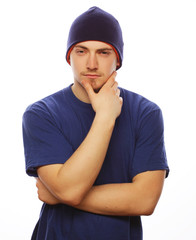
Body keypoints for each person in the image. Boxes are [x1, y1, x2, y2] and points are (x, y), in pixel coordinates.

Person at [22, 6, 169, 240]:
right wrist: (104, 117)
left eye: (103, 52)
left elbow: (145, 200)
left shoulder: (146, 113)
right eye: (81, 51)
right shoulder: (41, 114)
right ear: (69, 56)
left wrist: (58, 194)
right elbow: (70, 190)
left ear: (118, 59)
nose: (91, 63)